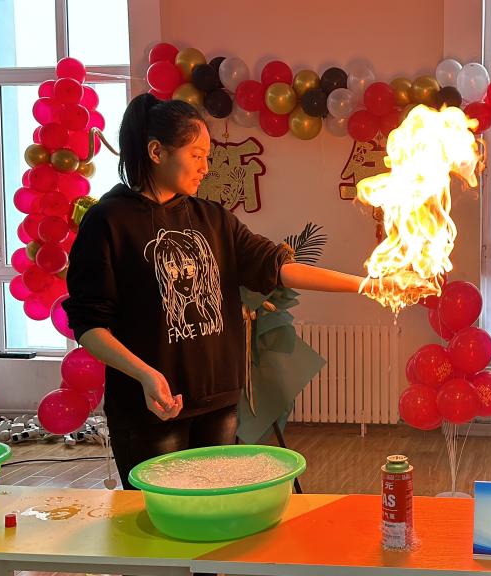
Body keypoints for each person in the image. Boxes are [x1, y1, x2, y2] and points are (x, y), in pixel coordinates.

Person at [64, 94, 392, 489]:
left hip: (217, 403)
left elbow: (279, 267)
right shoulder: (108, 222)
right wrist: (145, 374)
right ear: (156, 152)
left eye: (208, 156)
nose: (206, 166)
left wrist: (368, 285)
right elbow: (89, 327)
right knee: (163, 517)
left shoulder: (212, 218)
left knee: (214, 509)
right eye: (197, 155)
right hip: (151, 410)